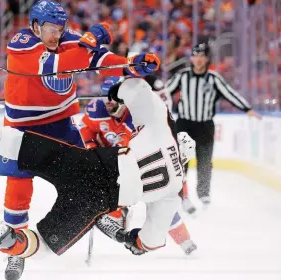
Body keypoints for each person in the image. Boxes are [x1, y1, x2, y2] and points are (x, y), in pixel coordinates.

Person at [0, 77, 196, 264]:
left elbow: (138, 90)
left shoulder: (162, 131)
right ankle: (11, 240)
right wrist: (133, 240)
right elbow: (151, 240)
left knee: (14, 143)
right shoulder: (172, 192)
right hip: (98, 200)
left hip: (90, 165)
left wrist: (117, 90)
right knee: (45, 247)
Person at [0, 0, 160, 279]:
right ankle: (15, 251)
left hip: (60, 124)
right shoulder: (21, 43)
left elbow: (97, 60)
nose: (56, 34)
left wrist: (130, 65)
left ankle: (98, 216)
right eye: (50, 28)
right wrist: (91, 40)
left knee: (87, 177)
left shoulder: (71, 41)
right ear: (35, 26)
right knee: (18, 190)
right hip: (23, 128)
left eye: (61, 28)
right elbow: (61, 64)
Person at [80, 77, 197, 255]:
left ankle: (185, 240)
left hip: (133, 166)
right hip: (110, 164)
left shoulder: (140, 117)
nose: (108, 103)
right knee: (108, 204)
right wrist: (92, 150)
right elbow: (85, 131)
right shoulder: (96, 109)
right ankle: (121, 224)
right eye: (105, 98)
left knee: (160, 199)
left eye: (112, 98)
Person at [161, 43, 262, 214]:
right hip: (184, 124)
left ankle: (203, 193)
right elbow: (164, 93)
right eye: (195, 55)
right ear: (191, 58)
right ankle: (182, 194)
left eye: (202, 56)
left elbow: (230, 94)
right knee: (181, 161)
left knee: (205, 160)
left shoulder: (214, 78)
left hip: (205, 125)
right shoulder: (182, 76)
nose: (198, 59)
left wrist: (247, 109)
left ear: (207, 59)